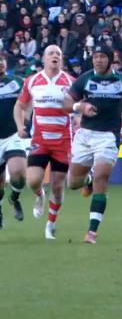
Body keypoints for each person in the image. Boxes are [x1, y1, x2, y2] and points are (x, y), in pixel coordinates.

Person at [63, 45, 122, 244]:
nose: (98, 60)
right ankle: (87, 180)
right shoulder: (85, 79)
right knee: (73, 184)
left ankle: (92, 232)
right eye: (95, 56)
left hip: (108, 137)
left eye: (102, 57)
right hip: (85, 136)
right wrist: (79, 106)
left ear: (110, 59)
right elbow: (66, 104)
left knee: (102, 178)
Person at [13, 45, 74, 239]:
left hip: (63, 141)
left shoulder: (71, 82)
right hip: (39, 140)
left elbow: (78, 111)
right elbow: (20, 106)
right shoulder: (32, 81)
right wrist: (20, 126)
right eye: (51, 53)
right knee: (32, 181)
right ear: (44, 59)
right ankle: (39, 195)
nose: (55, 56)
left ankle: (50, 225)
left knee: (57, 186)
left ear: (62, 60)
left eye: (58, 54)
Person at [0, 56, 27, 227]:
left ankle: (14, 198)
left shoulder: (17, 82)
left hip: (12, 135)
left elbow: (27, 102)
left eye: (1, 60)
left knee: (18, 174)